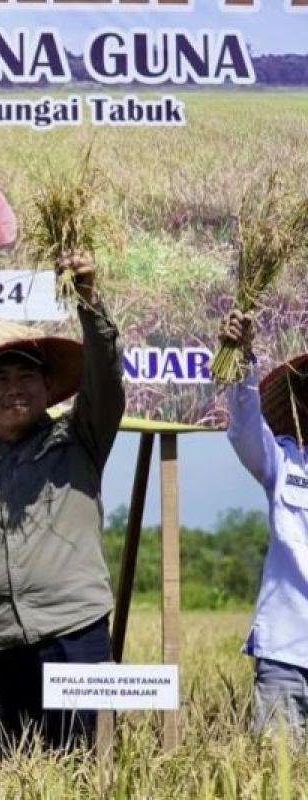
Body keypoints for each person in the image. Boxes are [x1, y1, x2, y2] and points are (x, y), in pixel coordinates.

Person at [0, 254, 124, 761]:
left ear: (47, 386)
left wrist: (88, 302)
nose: (14, 387)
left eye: (25, 375)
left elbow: (106, 379)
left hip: (72, 637)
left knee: (82, 771)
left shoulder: (80, 439)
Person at [219, 310, 308, 738]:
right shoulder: (286, 461)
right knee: (276, 782)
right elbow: (246, 429)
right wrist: (242, 360)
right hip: (287, 658)